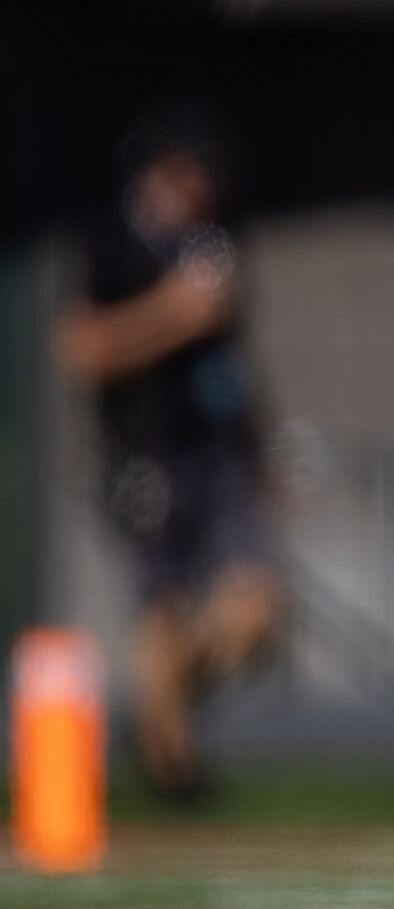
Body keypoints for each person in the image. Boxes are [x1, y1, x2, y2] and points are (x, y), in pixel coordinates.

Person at [51, 107, 281, 800]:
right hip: (144, 452)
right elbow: (84, 350)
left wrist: (260, 449)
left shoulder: (214, 240)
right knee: (163, 608)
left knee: (256, 612)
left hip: (218, 450)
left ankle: (162, 712)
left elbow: (231, 359)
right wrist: (172, 315)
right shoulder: (109, 238)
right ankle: (173, 769)